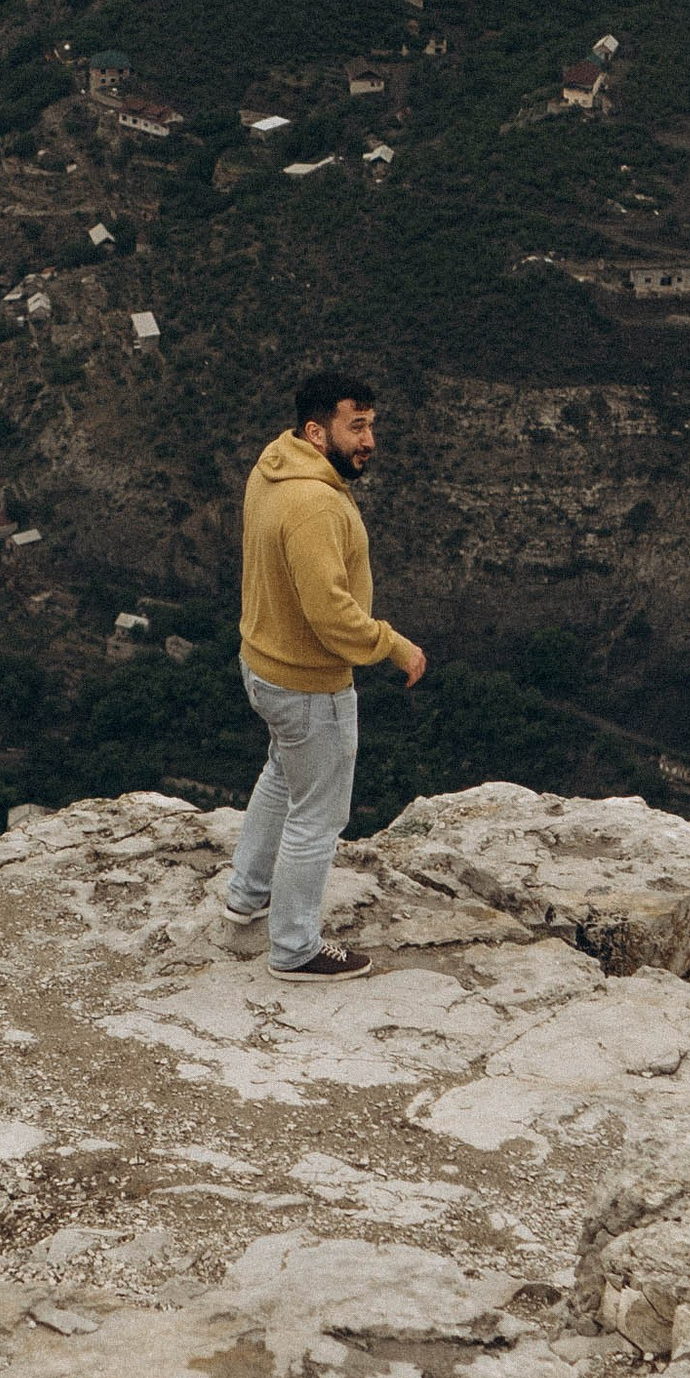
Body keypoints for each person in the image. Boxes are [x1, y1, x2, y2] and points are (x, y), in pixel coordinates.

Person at [223, 368, 425, 979]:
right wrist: (394, 646)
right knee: (319, 816)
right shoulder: (313, 502)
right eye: (356, 427)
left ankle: (245, 896)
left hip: (262, 664)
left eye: (371, 425)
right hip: (308, 683)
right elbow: (332, 614)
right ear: (317, 432)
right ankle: (294, 948)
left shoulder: (273, 467)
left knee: (284, 774)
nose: (369, 441)